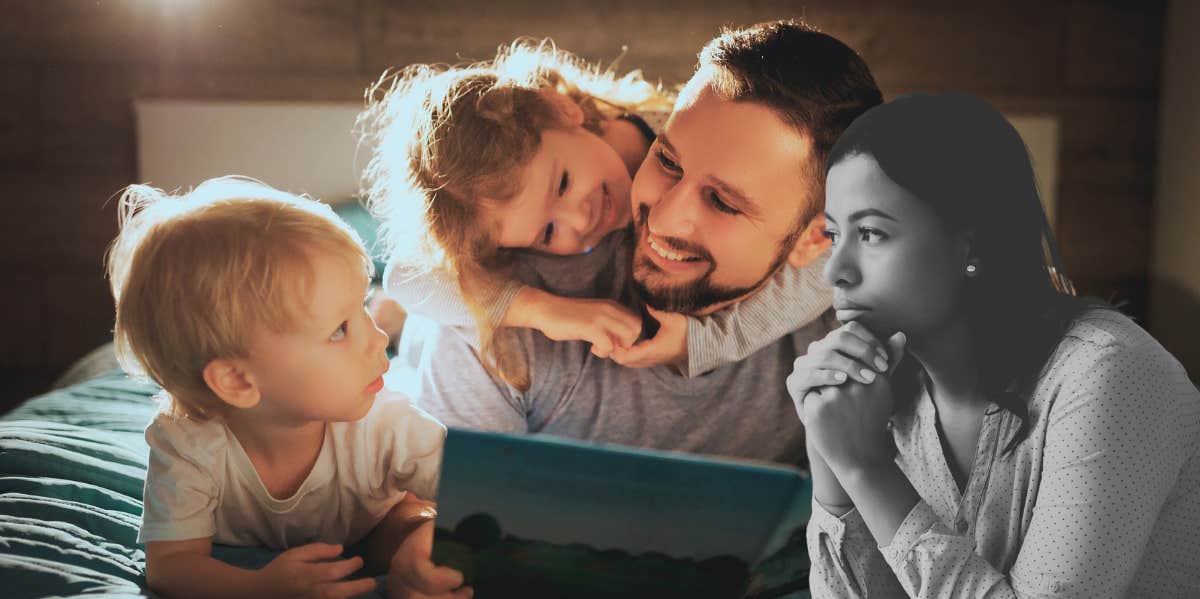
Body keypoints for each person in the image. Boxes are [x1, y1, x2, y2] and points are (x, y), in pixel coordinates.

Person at [789, 92, 1200, 598]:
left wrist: (865, 469)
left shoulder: (1112, 376)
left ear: (970, 245)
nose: (835, 270)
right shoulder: (884, 388)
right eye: (834, 235)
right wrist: (830, 459)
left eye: (871, 233)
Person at [358, 38, 834, 384]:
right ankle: (398, 324)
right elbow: (408, 273)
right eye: (547, 232)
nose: (579, 218)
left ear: (562, 110)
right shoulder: (544, 233)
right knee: (436, 319)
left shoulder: (687, 134)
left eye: (563, 184)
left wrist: (704, 341)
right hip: (427, 336)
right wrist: (544, 311)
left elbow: (829, 262)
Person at [107, 177, 463, 599]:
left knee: (415, 523)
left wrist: (419, 549)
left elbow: (476, 499)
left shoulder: (386, 421)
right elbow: (171, 567)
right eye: (338, 331)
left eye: (364, 308)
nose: (377, 338)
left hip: (376, 526)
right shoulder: (188, 444)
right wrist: (259, 586)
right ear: (238, 381)